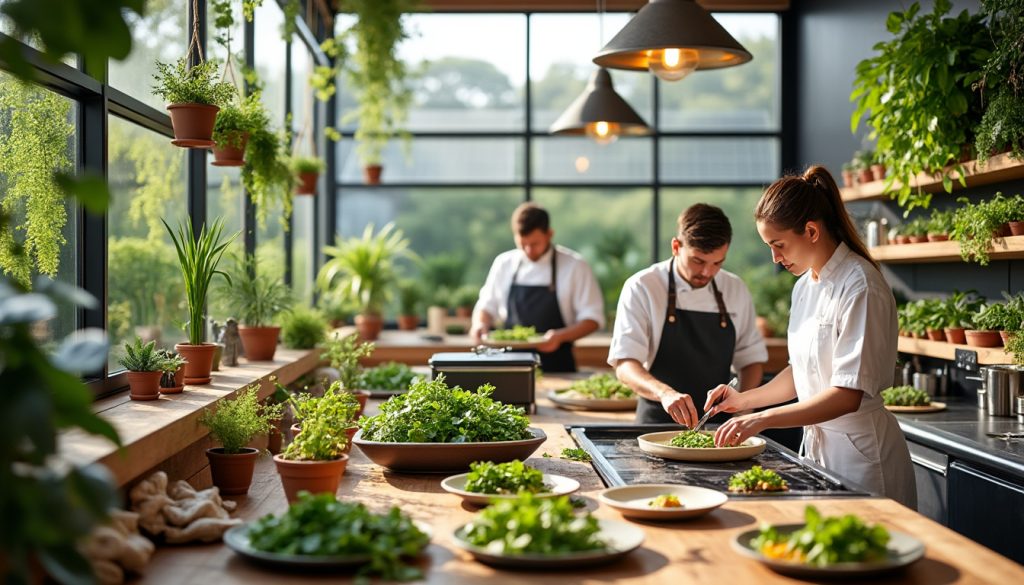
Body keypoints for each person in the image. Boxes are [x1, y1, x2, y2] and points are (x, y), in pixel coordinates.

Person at [703, 165, 916, 508]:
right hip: (818, 451)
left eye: (778, 245)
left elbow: (847, 395)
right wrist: (742, 400)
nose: (775, 258)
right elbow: (801, 374)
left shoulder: (861, 285)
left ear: (812, 231)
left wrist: (761, 419)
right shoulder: (804, 287)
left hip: (860, 455)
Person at [608, 203, 767, 425]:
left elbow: (751, 361)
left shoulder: (735, 289)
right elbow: (625, 365)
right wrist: (665, 393)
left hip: (719, 428)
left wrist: (743, 410)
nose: (707, 272)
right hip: (655, 423)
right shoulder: (643, 286)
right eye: (698, 261)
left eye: (717, 263)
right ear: (676, 246)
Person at [470, 202, 604, 372]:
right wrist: (480, 324)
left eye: (534, 244)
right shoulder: (504, 263)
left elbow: (593, 319)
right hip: (510, 364)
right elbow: (487, 306)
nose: (528, 250)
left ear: (550, 234)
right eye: (522, 244)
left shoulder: (575, 266)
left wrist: (560, 336)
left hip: (557, 365)